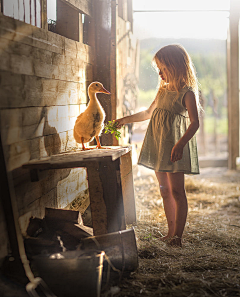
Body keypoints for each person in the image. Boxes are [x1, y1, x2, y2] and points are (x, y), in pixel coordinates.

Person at [116, 44, 201, 247]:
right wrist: (124, 120)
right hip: (159, 147)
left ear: (176, 66)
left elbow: (195, 122)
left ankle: (178, 238)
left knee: (177, 192)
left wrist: (180, 144)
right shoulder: (162, 91)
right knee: (164, 190)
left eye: (163, 70)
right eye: (159, 71)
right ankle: (170, 232)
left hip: (174, 149)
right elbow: (147, 113)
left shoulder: (187, 93)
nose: (161, 75)